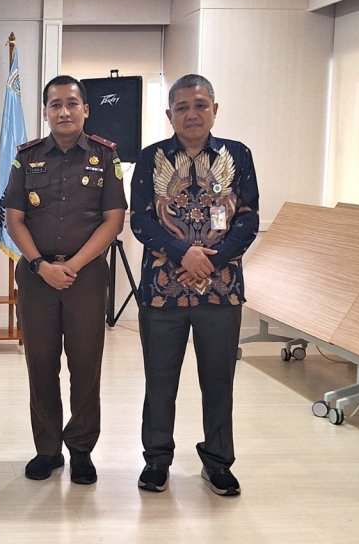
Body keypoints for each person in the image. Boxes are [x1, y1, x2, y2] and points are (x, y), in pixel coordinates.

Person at [130, 73, 259, 497]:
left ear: (214, 110)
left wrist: (212, 260)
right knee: (160, 381)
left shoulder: (237, 155)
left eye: (200, 105)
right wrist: (182, 253)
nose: (192, 114)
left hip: (221, 291)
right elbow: (141, 220)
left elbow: (248, 218)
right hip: (163, 291)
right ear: (169, 115)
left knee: (219, 381)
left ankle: (218, 462)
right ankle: (156, 460)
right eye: (182, 107)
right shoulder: (150, 158)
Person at [4, 75, 127, 485]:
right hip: (37, 278)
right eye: (55, 104)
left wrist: (72, 265)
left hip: (85, 278)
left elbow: (113, 220)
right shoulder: (27, 158)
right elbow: (14, 219)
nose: (64, 111)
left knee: (85, 366)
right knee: (40, 364)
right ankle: (47, 450)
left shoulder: (106, 157)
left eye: (72, 103)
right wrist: (41, 265)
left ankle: (81, 450)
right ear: (45, 112)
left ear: (85, 110)